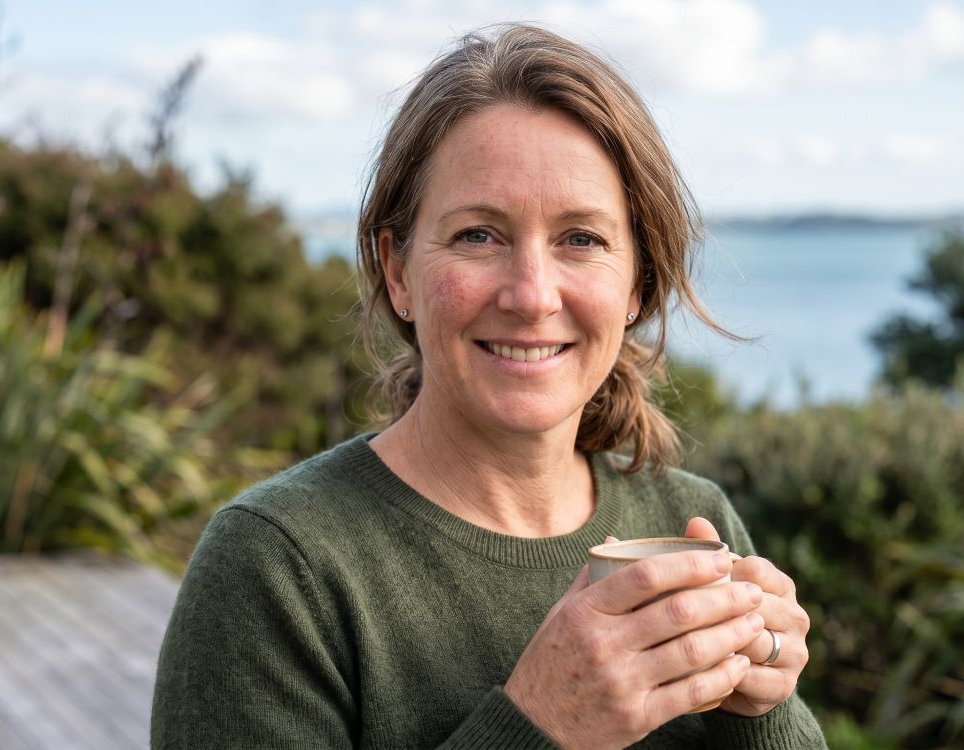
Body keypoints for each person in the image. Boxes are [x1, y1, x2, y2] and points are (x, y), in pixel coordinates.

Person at [151, 23, 827, 749]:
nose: (532, 295)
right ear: (397, 270)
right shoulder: (277, 567)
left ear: (638, 283)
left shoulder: (693, 518)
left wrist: (764, 709)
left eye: (582, 239)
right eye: (478, 234)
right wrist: (541, 725)